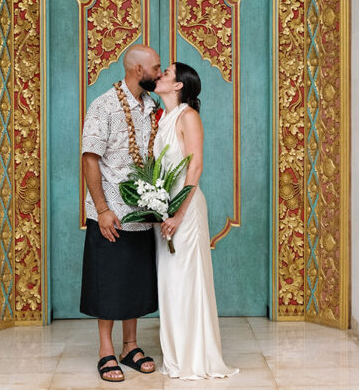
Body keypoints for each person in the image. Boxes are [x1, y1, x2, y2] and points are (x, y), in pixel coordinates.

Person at [79, 44, 162, 383]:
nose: (159, 73)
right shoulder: (104, 106)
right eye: (155, 68)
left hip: (142, 212)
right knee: (108, 281)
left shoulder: (151, 105)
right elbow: (89, 158)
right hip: (110, 211)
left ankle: (130, 346)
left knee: (134, 281)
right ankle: (105, 350)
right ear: (137, 70)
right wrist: (102, 209)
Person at [153, 62, 239, 380]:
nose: (160, 76)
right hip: (164, 213)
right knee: (170, 283)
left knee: (186, 282)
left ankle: (194, 356)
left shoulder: (188, 116)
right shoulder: (162, 118)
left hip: (185, 213)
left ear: (178, 86)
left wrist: (178, 213)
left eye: (166, 74)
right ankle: (174, 355)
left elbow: (195, 167)